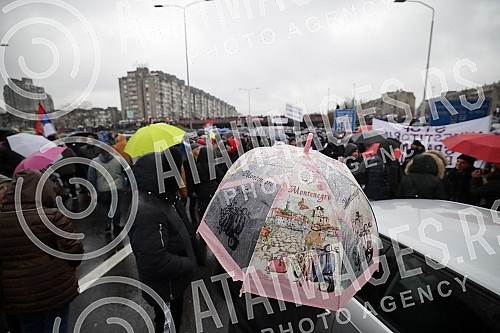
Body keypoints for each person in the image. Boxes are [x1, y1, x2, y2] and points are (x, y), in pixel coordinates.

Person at [0, 169, 83, 333]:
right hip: (54, 287)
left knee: (29, 328)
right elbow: (74, 252)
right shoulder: (52, 217)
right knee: (57, 327)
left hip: (18, 292)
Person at [128, 148, 199, 333]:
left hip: (171, 285)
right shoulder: (148, 211)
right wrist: (188, 265)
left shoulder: (161, 200)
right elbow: (154, 261)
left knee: (171, 323)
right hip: (165, 288)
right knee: (167, 326)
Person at [87, 143, 124, 236]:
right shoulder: (118, 159)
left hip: (103, 189)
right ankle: (116, 225)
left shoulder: (94, 162)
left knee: (104, 206)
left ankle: (107, 222)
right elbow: (125, 172)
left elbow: (91, 178)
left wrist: (91, 190)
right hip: (117, 188)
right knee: (117, 207)